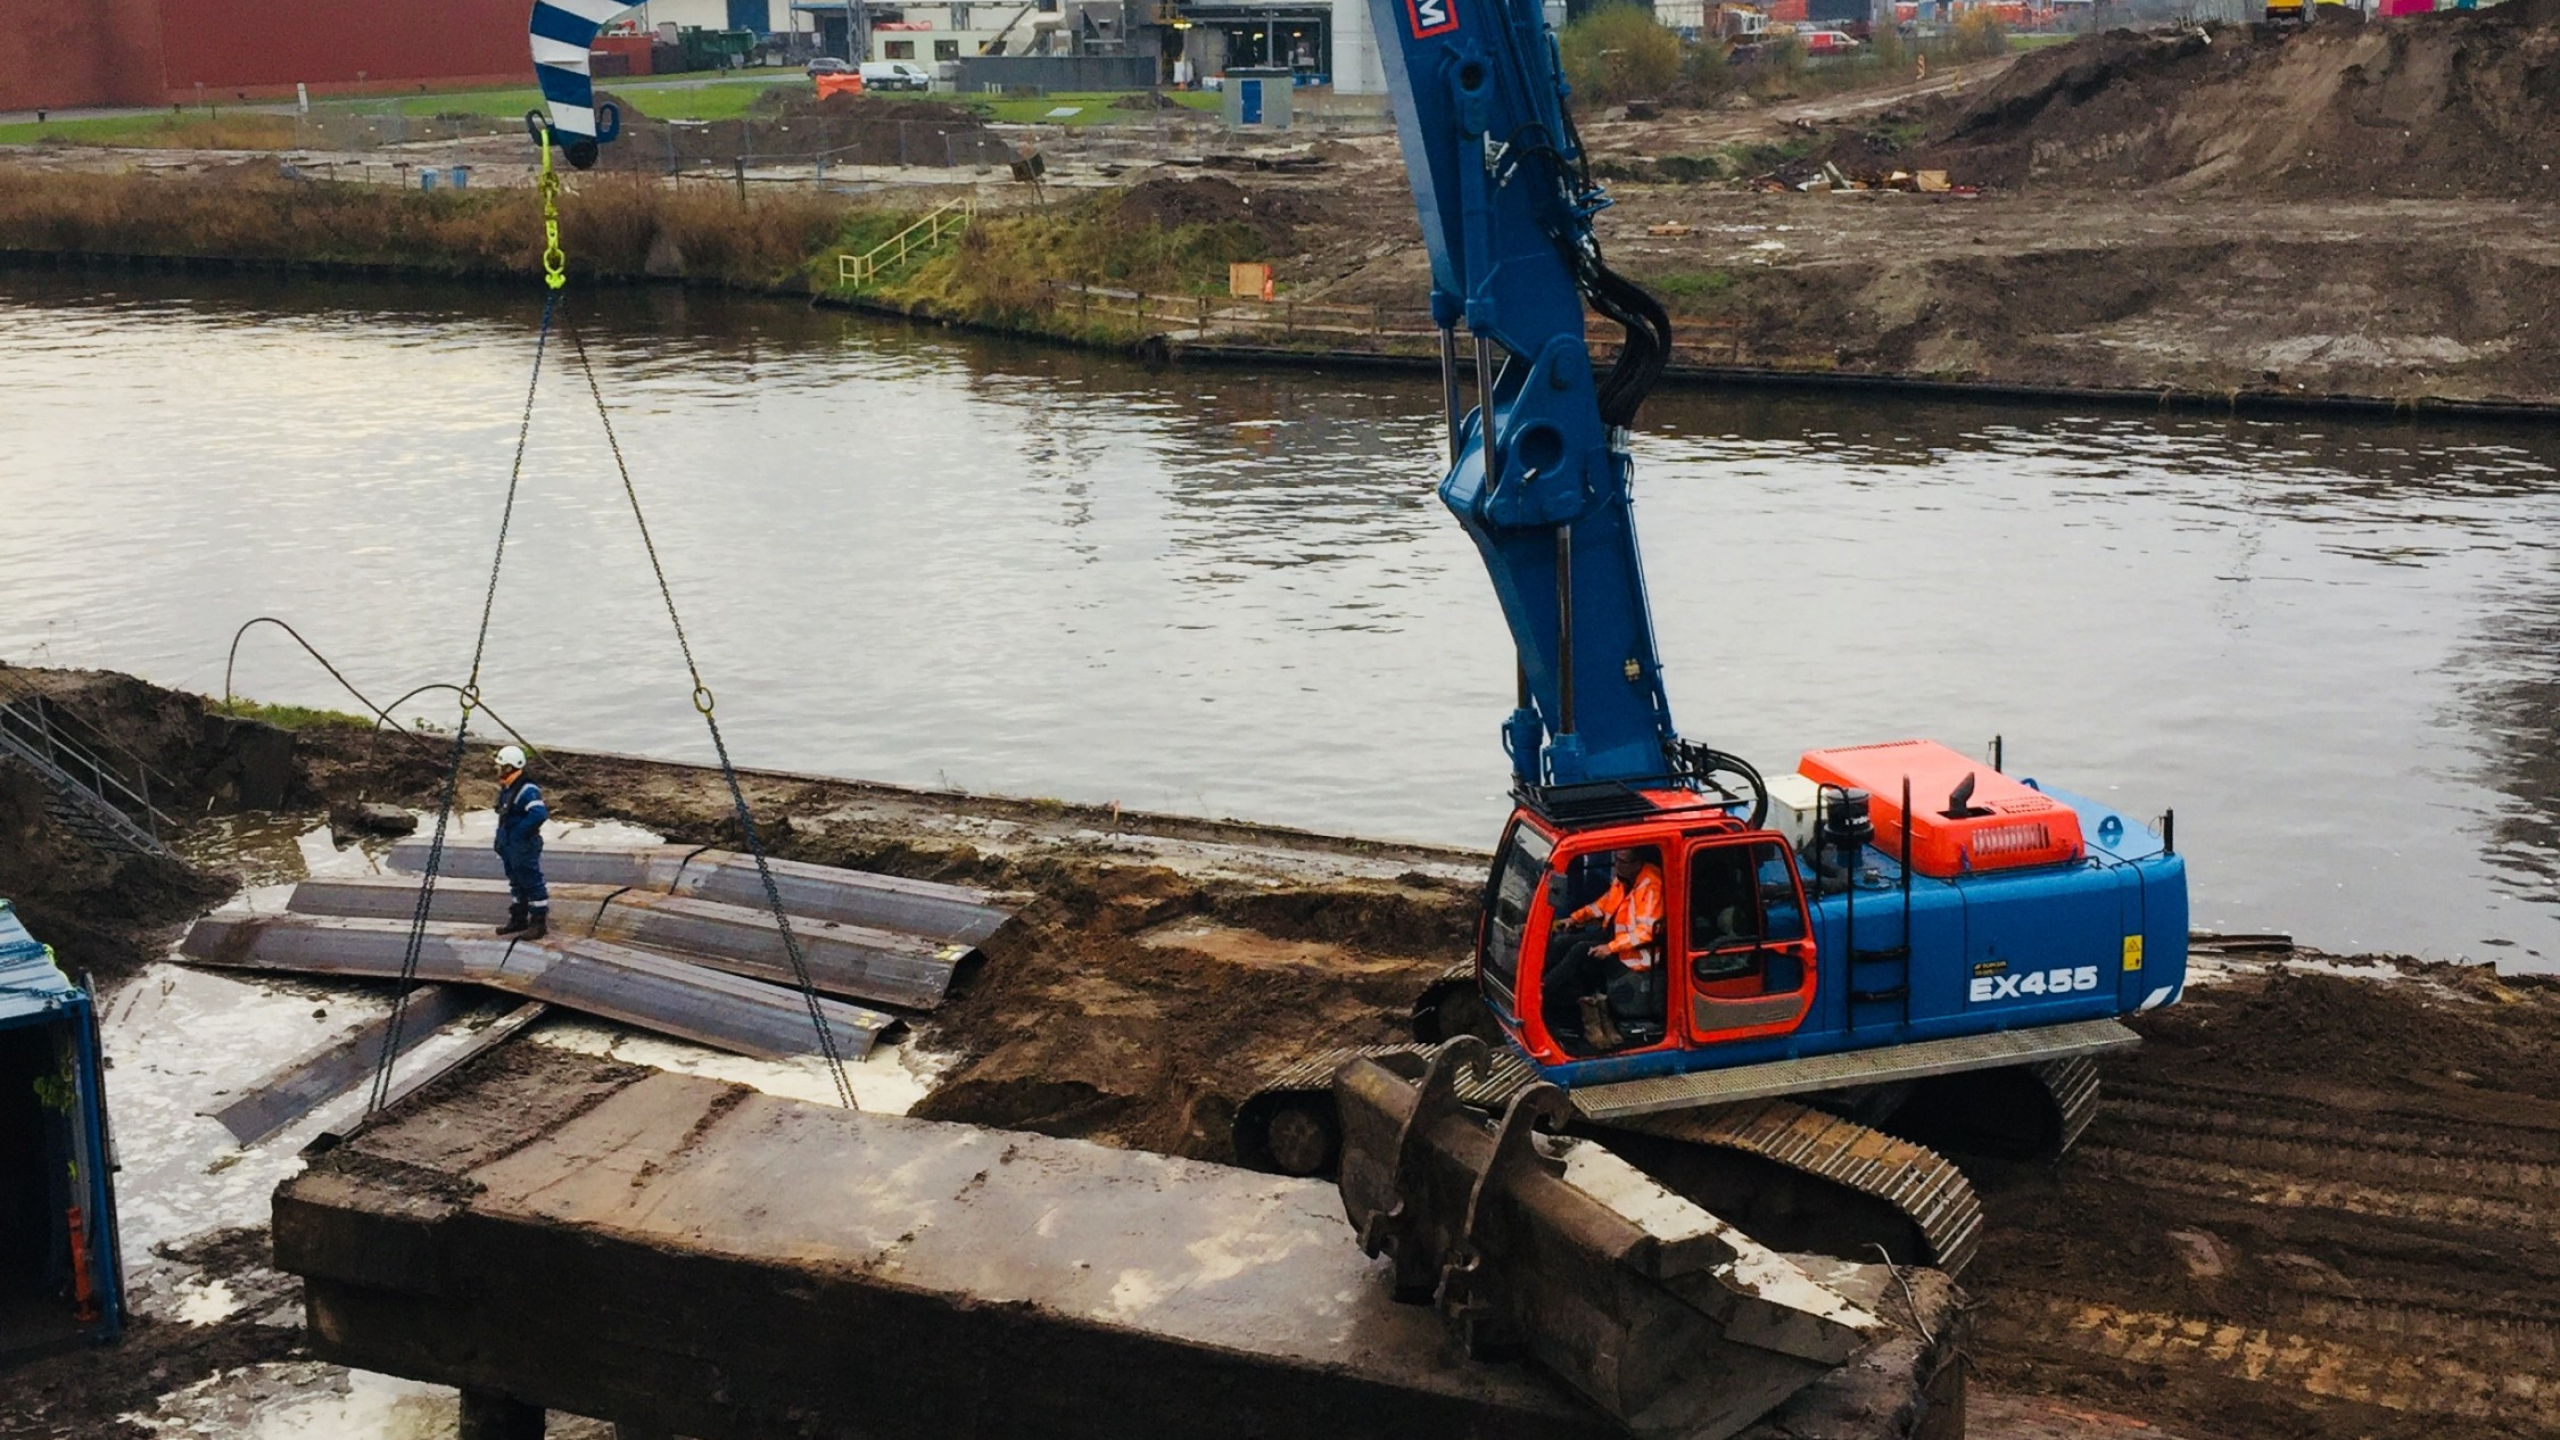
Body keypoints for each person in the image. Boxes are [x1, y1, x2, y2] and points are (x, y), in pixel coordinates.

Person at [1543, 848, 1663, 1052]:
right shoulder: (1624, 879)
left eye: (1622, 861)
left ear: (1637, 863)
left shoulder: (1651, 888)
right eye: (1616, 860)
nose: (1616, 865)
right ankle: (1538, 980)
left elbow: (1646, 932)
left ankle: (1543, 992)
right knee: (1562, 942)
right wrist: (1575, 918)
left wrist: (1610, 948)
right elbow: (1603, 904)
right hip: (1614, 940)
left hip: (1634, 957)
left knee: (1580, 950)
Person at [491, 744, 550, 941]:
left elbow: (538, 814)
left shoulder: (527, 790)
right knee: (516, 882)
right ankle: (519, 918)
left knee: (531, 882)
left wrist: (519, 835)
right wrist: (501, 840)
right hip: (510, 845)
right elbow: (504, 816)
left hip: (523, 846)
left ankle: (538, 923)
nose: (496, 769)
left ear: (509, 767)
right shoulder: (508, 788)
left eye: (500, 765)